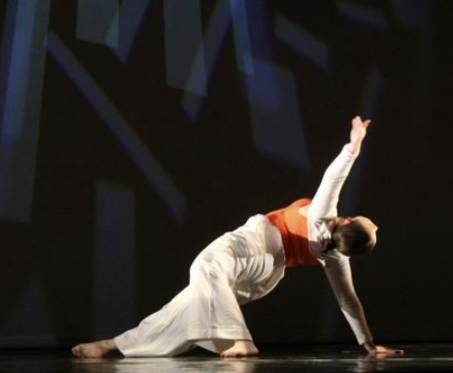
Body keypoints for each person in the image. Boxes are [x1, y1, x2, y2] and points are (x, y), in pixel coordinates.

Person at [72, 116, 402, 359]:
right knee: (187, 306)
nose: (378, 225)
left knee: (205, 264)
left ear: (347, 222)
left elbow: (335, 176)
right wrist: (369, 345)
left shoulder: (322, 216)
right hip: (266, 274)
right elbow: (348, 301)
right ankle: (112, 345)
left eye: (370, 224)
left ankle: (239, 340)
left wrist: (353, 147)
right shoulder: (335, 258)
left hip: (258, 245)